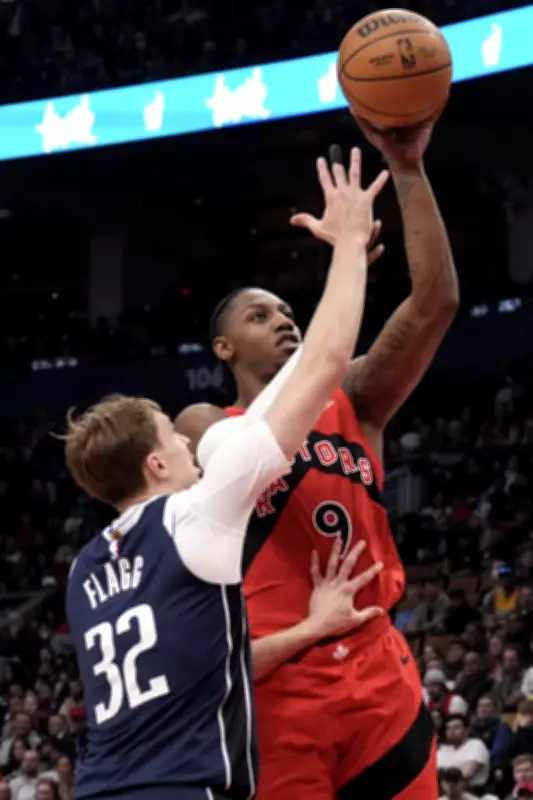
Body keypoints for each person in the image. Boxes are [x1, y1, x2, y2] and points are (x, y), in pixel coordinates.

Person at [64, 148, 388, 800]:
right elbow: (323, 364)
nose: (194, 451)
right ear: (156, 463)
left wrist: (308, 629)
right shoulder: (197, 514)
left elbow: (209, 669)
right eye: (177, 445)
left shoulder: (84, 571)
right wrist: (349, 243)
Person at [176, 116, 459, 799]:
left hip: (377, 671)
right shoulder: (204, 423)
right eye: (258, 315)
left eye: (284, 310)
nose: (281, 318)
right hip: (277, 678)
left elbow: (434, 301)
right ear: (222, 349)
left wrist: (409, 169)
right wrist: (346, 264)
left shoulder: (354, 401)